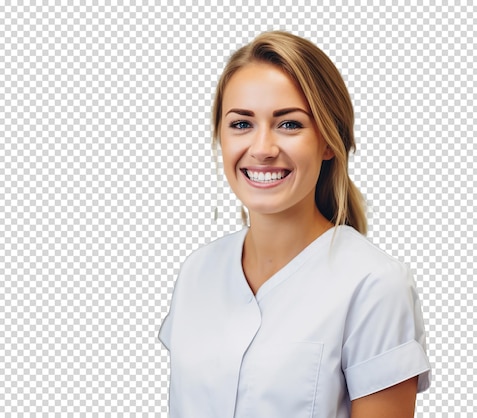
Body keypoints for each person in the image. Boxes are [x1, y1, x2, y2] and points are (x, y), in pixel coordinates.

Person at [159, 30, 431, 418]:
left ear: (327, 142)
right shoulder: (197, 272)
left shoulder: (374, 285)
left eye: (289, 124)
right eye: (241, 124)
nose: (263, 149)